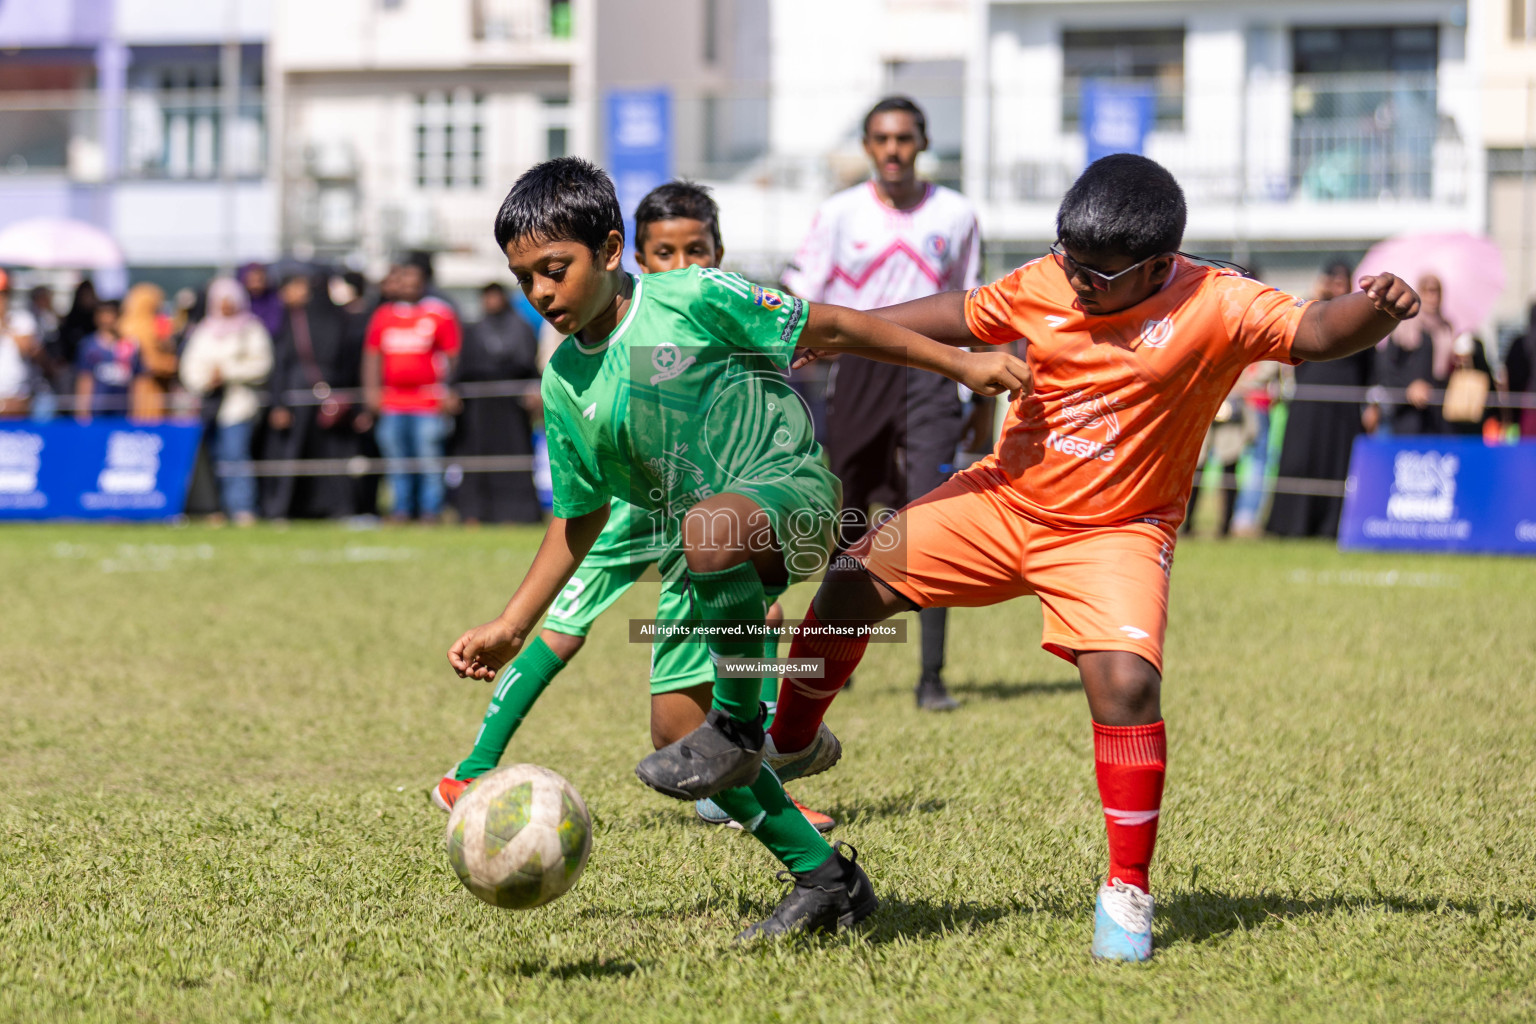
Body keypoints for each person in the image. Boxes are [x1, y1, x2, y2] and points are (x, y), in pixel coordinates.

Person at [742, 154, 1419, 962]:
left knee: (1126, 683)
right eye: (1070, 261)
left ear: (1162, 265)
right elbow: (960, 312)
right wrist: (842, 329)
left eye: (1099, 274)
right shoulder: (1048, 279)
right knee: (851, 581)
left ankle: (1127, 888)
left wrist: (1374, 313)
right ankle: (788, 742)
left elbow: (1312, 331)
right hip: (1005, 498)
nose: (1078, 283)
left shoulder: (1220, 300)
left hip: (1117, 530)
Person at [444, 157, 1027, 940]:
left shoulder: (694, 296)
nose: (542, 294)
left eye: (555, 270)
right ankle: (827, 879)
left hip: (788, 494)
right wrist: (514, 624)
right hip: (704, 551)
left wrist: (963, 362)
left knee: (710, 549)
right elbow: (577, 517)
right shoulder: (563, 383)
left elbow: (836, 325)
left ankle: (745, 725)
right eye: (525, 281)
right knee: (679, 740)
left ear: (611, 249)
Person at [434, 180, 834, 836]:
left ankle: (764, 757)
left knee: (760, 607)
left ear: (718, 252)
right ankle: (473, 768)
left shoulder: (704, 308)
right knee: (563, 622)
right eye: (666, 254)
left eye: (696, 251)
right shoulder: (597, 344)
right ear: (636, 259)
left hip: (699, 511)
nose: (682, 266)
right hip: (628, 505)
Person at [782, 96, 982, 711]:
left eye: (904, 138)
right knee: (845, 515)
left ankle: (932, 677)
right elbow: (801, 292)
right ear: (868, 147)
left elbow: (972, 305)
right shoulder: (839, 214)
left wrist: (971, 388)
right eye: (881, 139)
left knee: (929, 515)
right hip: (860, 373)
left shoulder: (958, 213)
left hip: (932, 373)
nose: (893, 149)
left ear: (922, 143)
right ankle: (830, 659)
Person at [1264, 261, 1376, 538]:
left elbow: (1372, 367)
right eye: (1333, 280)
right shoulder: (1310, 309)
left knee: (1338, 464)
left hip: (1344, 407)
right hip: (1308, 403)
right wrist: (1315, 293)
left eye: (1343, 281)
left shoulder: (1360, 318)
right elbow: (1288, 326)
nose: (1338, 286)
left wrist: (1371, 405)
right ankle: (1291, 527)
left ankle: (1330, 527)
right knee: (1300, 461)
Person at [263, 272, 375, 520]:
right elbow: (280, 364)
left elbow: (353, 364)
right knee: (294, 452)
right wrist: (278, 403)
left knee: (335, 455)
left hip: (333, 399)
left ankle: (338, 507)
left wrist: (358, 405)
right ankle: (286, 508)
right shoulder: (292, 319)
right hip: (298, 396)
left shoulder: (342, 319)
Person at [363, 261, 461, 523]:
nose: (408, 283)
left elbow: (453, 355)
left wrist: (449, 390)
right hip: (392, 401)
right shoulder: (383, 315)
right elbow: (372, 356)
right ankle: (401, 510)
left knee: (429, 459)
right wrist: (371, 393)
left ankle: (431, 510)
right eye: (403, 277)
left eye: (413, 277)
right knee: (397, 461)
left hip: (428, 401)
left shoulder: (439, 313)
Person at [179, 278, 273, 525]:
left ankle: (242, 508)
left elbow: (261, 365)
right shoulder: (204, 330)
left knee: (235, 456)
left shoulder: (251, 328)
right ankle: (214, 508)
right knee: (211, 461)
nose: (225, 306)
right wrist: (207, 379)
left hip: (237, 406)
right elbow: (190, 368)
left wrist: (227, 372)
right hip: (208, 406)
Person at [449, 283, 542, 524]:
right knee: (477, 459)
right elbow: (461, 369)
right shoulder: (474, 329)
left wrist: (533, 390)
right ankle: (475, 513)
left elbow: (530, 366)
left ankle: (516, 514)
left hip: (511, 407)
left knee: (514, 458)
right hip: (478, 408)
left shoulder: (521, 328)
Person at [1369, 274, 1451, 436]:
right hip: (1407, 415)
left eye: (1436, 292)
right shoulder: (1405, 327)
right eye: (1428, 291)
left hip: (1437, 415)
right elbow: (1386, 367)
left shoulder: (1446, 329)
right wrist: (1409, 389)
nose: (1432, 297)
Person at [74, 299, 138, 421]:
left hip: (123, 410)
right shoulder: (89, 346)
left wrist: (137, 413)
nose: (107, 319)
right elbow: (84, 379)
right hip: (97, 411)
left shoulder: (130, 345)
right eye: (103, 314)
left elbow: (137, 380)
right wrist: (82, 414)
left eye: (111, 314)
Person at [0, 271, 41, 419]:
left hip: (16, 401)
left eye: (2, 295)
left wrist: (5, 325)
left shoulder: (22, 319)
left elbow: (28, 349)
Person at [240, 262, 285, 339]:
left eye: (259, 280)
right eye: (252, 281)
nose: (255, 285)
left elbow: (275, 327)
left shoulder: (274, 300)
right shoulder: (240, 303)